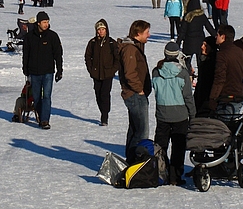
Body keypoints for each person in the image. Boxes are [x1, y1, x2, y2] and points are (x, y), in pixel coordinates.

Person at [152, 41, 196, 186]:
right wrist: (193, 114)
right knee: (178, 146)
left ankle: (160, 173)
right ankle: (175, 176)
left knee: (161, 145)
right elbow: (188, 97)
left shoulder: (156, 71)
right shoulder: (183, 73)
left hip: (162, 113)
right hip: (180, 115)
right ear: (177, 55)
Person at [21, 11, 63, 130]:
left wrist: (60, 70)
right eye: (44, 22)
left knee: (47, 97)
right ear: (38, 23)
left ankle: (45, 120)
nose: (46, 24)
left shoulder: (52, 36)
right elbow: (26, 54)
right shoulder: (29, 37)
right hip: (34, 72)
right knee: (37, 97)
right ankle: (40, 116)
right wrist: (25, 70)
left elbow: (58, 54)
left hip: (48, 72)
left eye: (47, 22)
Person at [118, 19, 152, 161]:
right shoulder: (130, 49)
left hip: (136, 93)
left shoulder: (136, 46)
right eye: (146, 32)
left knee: (134, 129)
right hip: (134, 94)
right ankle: (137, 161)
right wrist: (139, 90)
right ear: (138, 33)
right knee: (141, 131)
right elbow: (130, 73)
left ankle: (131, 159)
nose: (149, 35)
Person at [84, 19, 120, 126]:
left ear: (106, 30)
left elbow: (117, 58)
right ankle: (102, 111)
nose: (101, 31)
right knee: (98, 94)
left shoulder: (111, 42)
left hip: (108, 73)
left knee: (105, 94)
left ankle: (105, 116)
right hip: (96, 73)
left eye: (103, 29)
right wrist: (90, 69)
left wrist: (113, 70)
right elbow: (87, 56)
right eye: (99, 30)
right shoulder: (93, 42)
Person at [209, 24, 243, 111]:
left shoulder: (222, 54)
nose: (216, 37)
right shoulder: (238, 50)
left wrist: (212, 99)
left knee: (223, 123)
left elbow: (219, 79)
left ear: (223, 37)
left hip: (227, 98)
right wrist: (238, 76)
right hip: (239, 96)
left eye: (217, 35)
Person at [176, 0, 215, 75]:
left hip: (188, 43)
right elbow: (209, 28)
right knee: (200, 63)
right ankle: (201, 79)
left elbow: (182, 31)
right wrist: (216, 36)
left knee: (186, 63)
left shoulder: (187, 17)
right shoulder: (202, 16)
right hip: (200, 43)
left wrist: (178, 43)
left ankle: (187, 79)